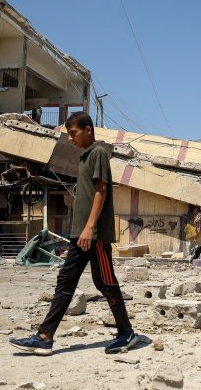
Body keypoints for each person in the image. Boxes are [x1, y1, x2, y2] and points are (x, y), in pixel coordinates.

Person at [10, 111, 136, 356]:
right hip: (80, 234)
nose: (71, 138)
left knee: (105, 281)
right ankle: (44, 337)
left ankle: (126, 332)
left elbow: (101, 191)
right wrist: (79, 231)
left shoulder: (98, 153)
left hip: (95, 234)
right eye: (69, 134)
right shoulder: (85, 156)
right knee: (65, 281)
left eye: (74, 133)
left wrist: (90, 227)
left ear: (88, 130)